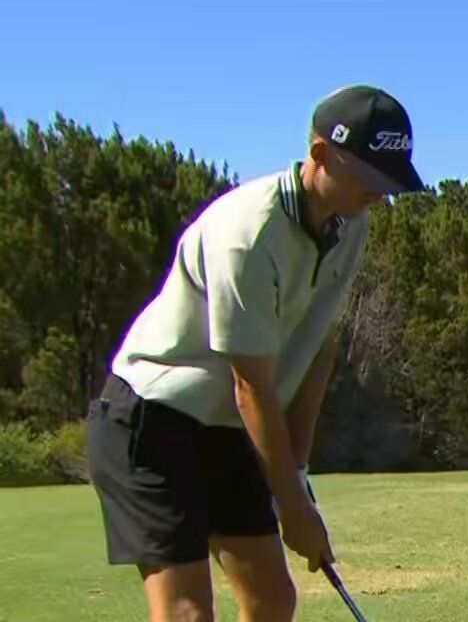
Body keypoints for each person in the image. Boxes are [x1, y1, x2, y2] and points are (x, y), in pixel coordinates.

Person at [87, 84, 425, 622]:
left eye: (389, 181)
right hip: (152, 421)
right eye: (369, 177)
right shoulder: (249, 233)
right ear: (320, 154)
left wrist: (297, 472)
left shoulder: (351, 226)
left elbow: (318, 348)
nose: (380, 195)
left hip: (226, 429)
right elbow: (251, 385)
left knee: (272, 600)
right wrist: (291, 509)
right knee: (187, 612)